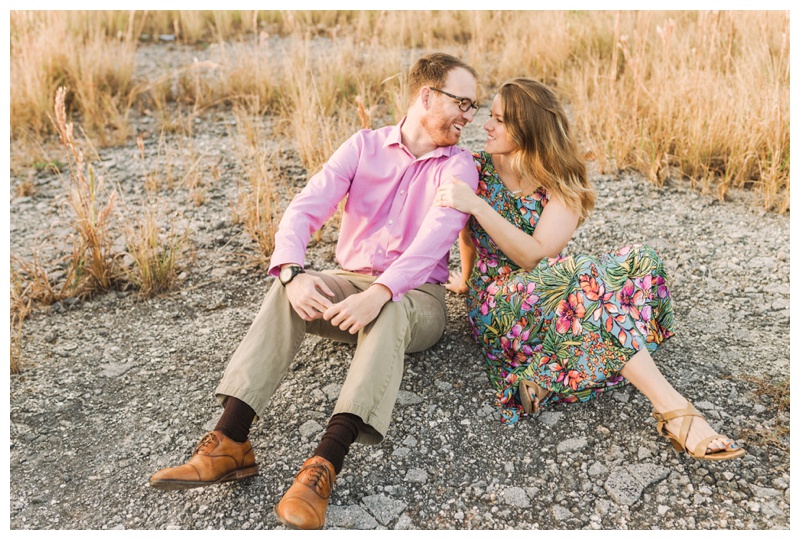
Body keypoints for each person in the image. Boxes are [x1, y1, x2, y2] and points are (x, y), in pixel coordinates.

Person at [149, 53, 481, 529]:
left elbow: (434, 241)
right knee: (290, 289)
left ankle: (323, 465)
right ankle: (230, 441)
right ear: (426, 96)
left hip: (419, 301)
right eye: (462, 103)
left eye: (474, 106)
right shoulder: (364, 147)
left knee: (389, 308)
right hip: (351, 283)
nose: (469, 116)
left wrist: (382, 291)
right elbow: (305, 208)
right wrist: (291, 272)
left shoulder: (459, 167)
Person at [436, 77, 745, 461]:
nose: (487, 125)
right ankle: (673, 408)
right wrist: (466, 281)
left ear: (529, 128)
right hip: (500, 304)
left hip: (550, 289)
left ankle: (545, 376)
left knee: (641, 259)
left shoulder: (560, 184)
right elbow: (468, 237)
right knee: (584, 280)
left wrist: (479, 207)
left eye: (500, 120)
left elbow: (534, 257)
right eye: (491, 116)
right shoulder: (476, 167)